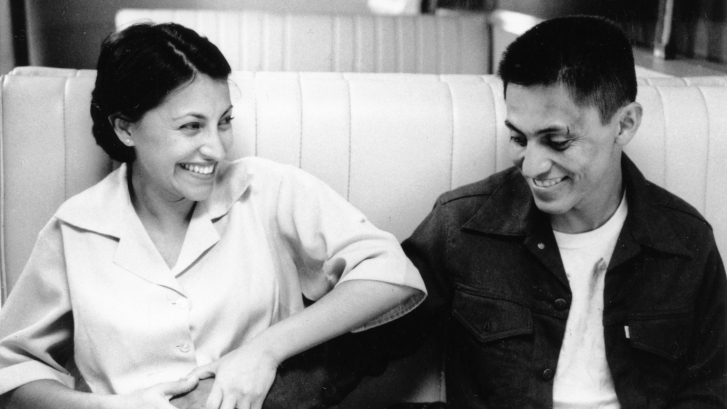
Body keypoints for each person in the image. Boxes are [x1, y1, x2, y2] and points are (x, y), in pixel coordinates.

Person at [0, 22, 426, 409]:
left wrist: (264, 351)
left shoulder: (267, 189)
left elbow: (390, 271)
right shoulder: (75, 228)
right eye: (191, 126)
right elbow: (12, 370)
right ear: (125, 128)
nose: (217, 149)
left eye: (223, 121)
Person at [362, 15, 726, 408]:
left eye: (557, 141)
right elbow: (364, 342)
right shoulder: (461, 226)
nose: (532, 167)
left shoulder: (687, 242)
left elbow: (710, 390)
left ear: (624, 125)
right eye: (518, 138)